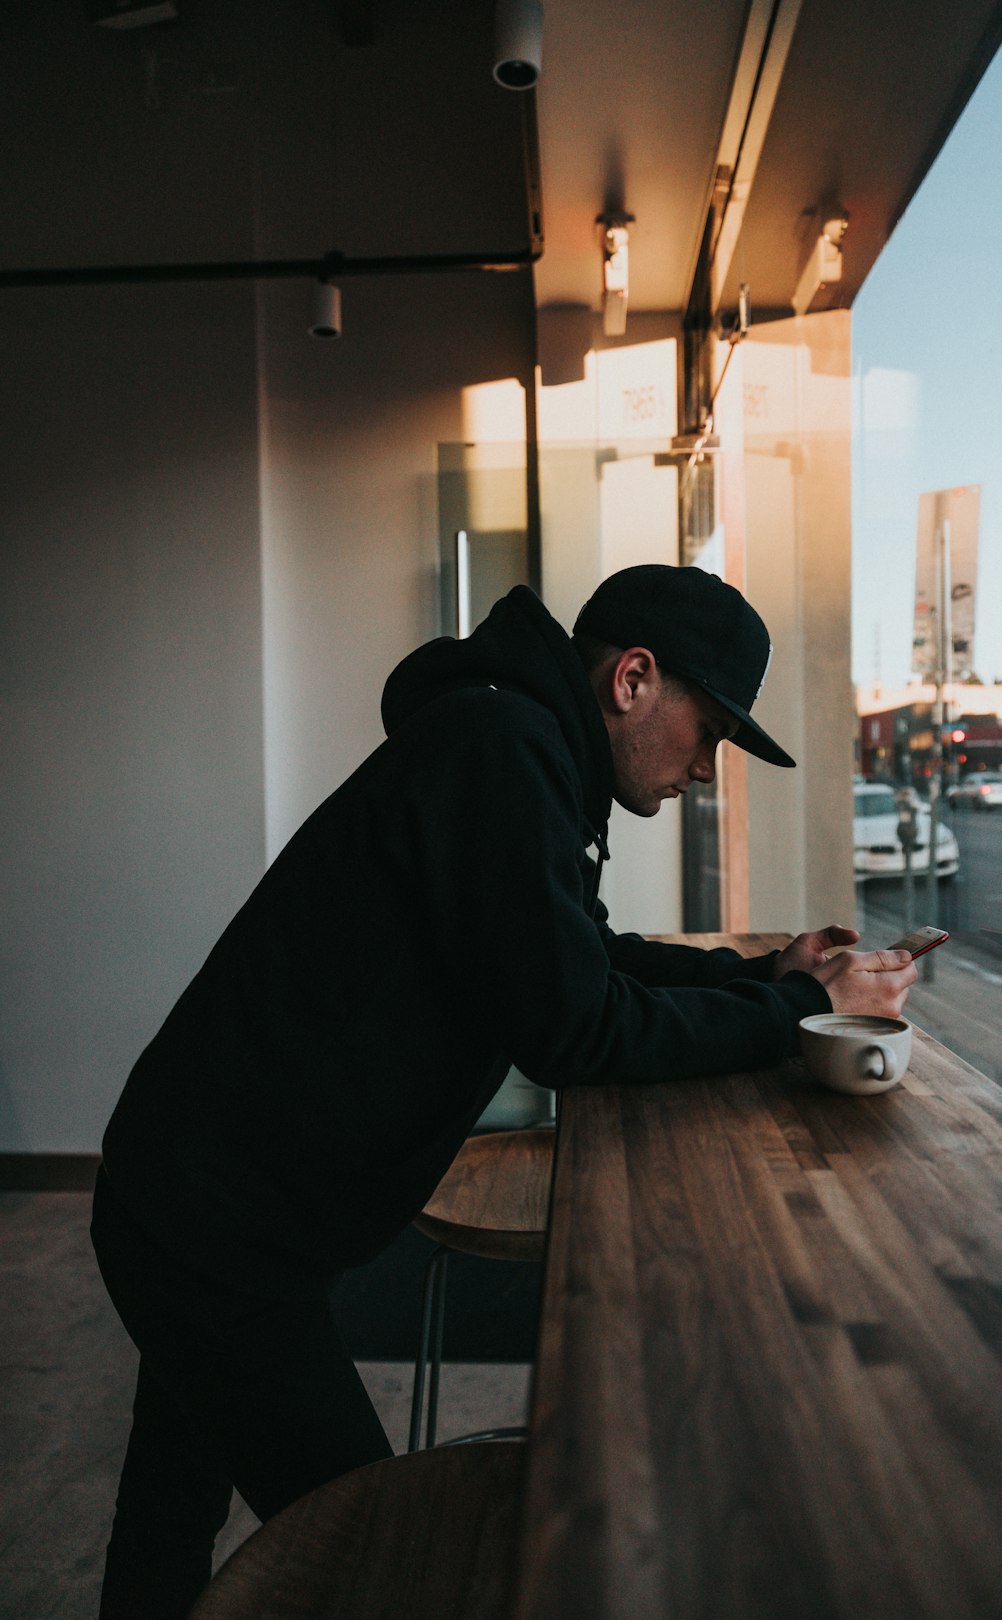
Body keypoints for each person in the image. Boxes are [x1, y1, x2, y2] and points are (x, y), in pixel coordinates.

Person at [91, 563, 915, 1616]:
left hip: (204, 1190)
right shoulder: (502, 753)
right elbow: (576, 1027)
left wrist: (768, 978)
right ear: (633, 679)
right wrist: (794, 1017)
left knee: (171, 1504)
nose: (705, 769)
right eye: (708, 730)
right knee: (377, 1554)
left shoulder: (518, 745)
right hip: (215, 1226)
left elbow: (583, 959)